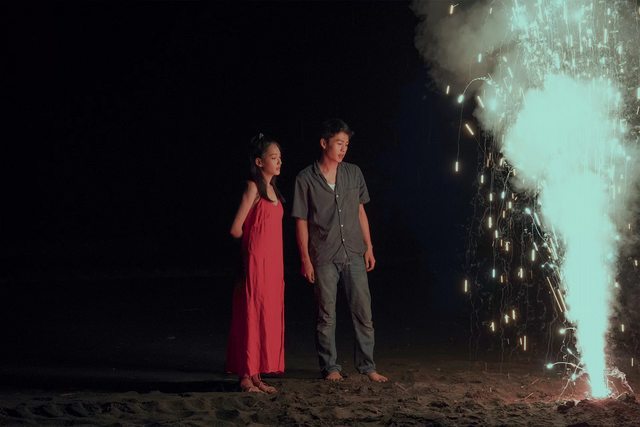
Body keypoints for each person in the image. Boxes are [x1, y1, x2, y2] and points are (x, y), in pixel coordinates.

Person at [292, 119, 387, 383]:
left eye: (346, 144)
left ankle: (367, 366)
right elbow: (301, 221)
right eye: (339, 143)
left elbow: (360, 211)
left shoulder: (354, 173)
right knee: (326, 315)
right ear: (324, 143)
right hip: (323, 254)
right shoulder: (305, 179)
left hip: (354, 251)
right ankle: (330, 367)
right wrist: (305, 259)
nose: (344, 148)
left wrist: (369, 247)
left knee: (363, 312)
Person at [226, 133, 285, 393]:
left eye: (280, 157)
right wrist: (252, 248)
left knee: (267, 315)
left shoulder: (273, 189)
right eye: (274, 157)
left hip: (273, 263)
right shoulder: (253, 187)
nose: (279, 161)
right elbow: (235, 228)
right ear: (260, 162)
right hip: (256, 262)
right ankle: (245, 377)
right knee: (251, 313)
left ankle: (257, 374)